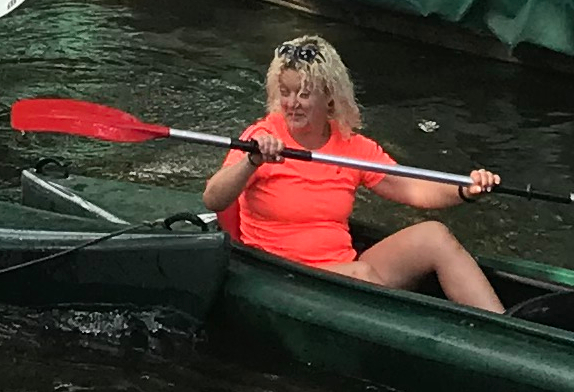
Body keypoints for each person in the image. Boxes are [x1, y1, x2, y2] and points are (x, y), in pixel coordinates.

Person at [202, 35, 505, 312]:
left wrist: (466, 189)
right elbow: (214, 199)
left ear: (329, 98)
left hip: (342, 267)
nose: (292, 104)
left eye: (304, 94)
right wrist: (251, 161)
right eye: (285, 93)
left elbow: (411, 187)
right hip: (283, 274)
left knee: (433, 235)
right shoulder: (262, 136)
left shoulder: (350, 145)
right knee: (361, 275)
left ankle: (504, 328)